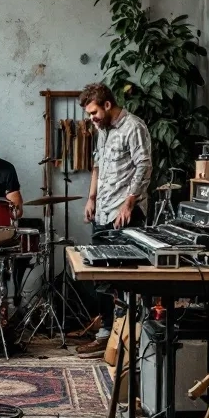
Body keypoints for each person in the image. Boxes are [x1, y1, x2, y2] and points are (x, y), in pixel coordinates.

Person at [78, 82, 152, 358]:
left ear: (107, 105)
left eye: (94, 112)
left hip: (126, 215)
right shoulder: (102, 129)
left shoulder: (134, 127)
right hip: (103, 212)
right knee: (102, 276)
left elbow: (144, 166)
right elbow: (97, 164)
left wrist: (129, 203)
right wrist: (91, 198)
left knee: (126, 279)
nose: (91, 118)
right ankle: (106, 334)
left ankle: (130, 340)